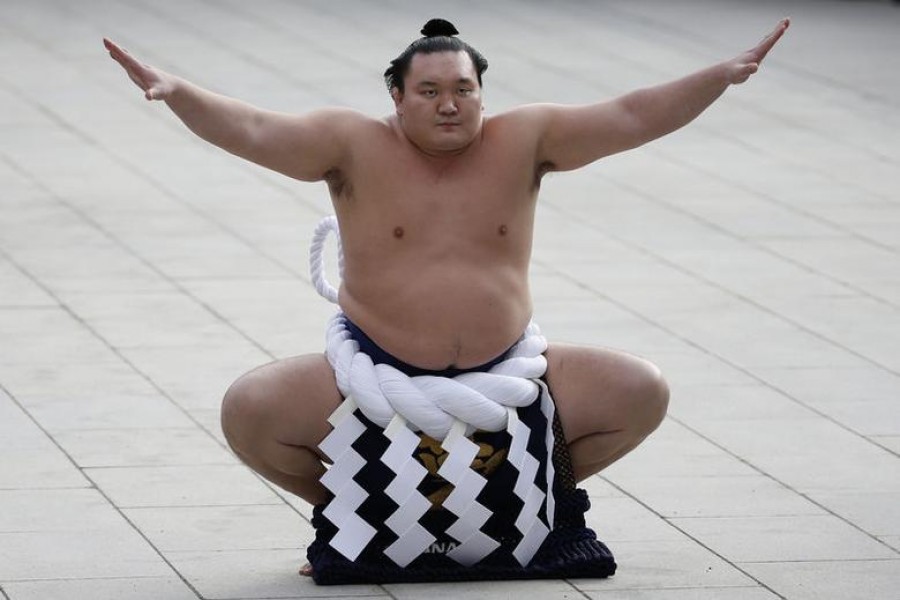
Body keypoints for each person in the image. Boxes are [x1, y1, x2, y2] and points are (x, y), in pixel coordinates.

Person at [105, 15, 788, 573]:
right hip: (375, 380)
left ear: (483, 94)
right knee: (249, 410)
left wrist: (718, 78)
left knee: (642, 391)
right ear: (396, 98)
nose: (449, 103)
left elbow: (633, 114)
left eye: (463, 88)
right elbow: (255, 129)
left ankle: (538, 504)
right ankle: (350, 511)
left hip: (509, 382)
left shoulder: (526, 138)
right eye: (428, 91)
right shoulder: (350, 144)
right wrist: (179, 92)